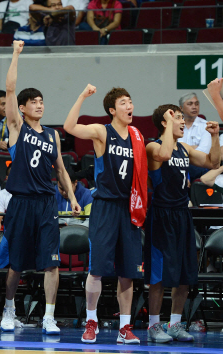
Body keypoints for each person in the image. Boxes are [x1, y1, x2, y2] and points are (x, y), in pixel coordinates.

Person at [0, 40, 80, 334]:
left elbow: (61, 169)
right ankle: (8, 310)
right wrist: (15, 54)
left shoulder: (53, 135)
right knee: (16, 264)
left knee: (51, 264)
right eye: (34, 102)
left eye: (42, 101)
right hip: (20, 202)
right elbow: (9, 89)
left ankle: (48, 316)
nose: (40, 105)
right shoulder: (17, 127)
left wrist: (71, 196)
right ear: (22, 108)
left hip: (47, 204)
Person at [64, 84, 146, 344]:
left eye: (130, 101)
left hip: (128, 207)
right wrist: (81, 96)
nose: (129, 106)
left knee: (127, 272)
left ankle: (125, 327)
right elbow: (69, 127)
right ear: (112, 109)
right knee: (97, 269)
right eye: (123, 102)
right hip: (106, 206)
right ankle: (91, 321)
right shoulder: (103, 132)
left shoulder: (137, 135)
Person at [145, 104, 220, 343]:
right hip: (161, 215)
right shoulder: (153, 146)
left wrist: (215, 136)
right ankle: (154, 326)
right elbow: (164, 155)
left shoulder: (184, 148)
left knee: (185, 274)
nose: (181, 121)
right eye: (176, 117)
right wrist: (168, 125)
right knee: (158, 276)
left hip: (182, 215)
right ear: (165, 123)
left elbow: (212, 162)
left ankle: (175, 323)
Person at [177, 92, 212, 180]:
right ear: (181, 108)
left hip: (198, 166)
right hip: (177, 164)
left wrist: (182, 149)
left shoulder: (206, 126)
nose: (194, 107)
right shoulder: (175, 126)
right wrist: (192, 148)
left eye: (197, 104)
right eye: (190, 104)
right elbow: (171, 150)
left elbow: (204, 152)